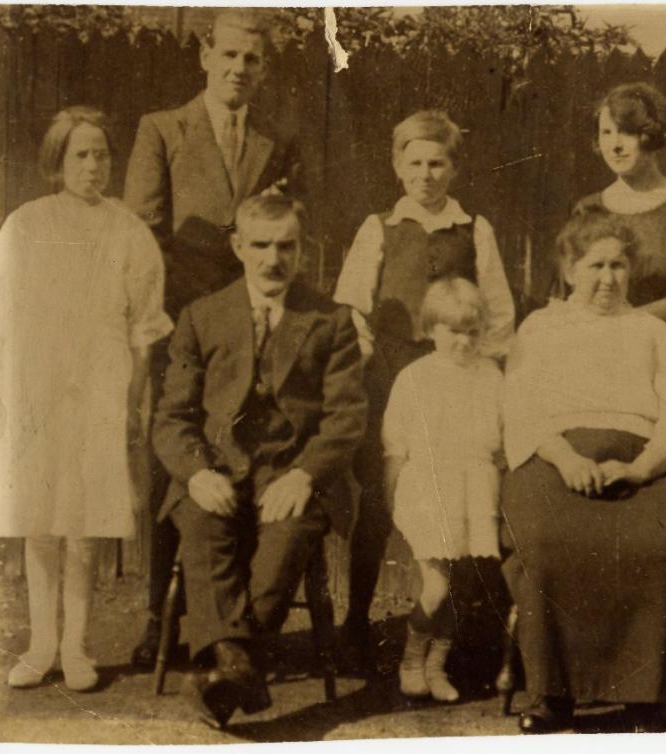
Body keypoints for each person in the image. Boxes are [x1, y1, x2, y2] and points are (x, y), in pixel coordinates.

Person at [0, 106, 172, 691]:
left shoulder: (129, 232)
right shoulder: (23, 225)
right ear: (57, 161)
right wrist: (0, 405)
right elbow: (0, 326)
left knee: (82, 525)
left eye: (102, 154)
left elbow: (143, 337)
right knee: (39, 522)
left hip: (99, 391)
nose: (93, 166)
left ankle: (78, 648)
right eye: (80, 154)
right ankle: (40, 644)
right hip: (36, 389)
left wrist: (133, 404)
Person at [124, 9, 305, 669]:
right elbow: (144, 234)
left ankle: (227, 618)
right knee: (168, 457)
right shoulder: (162, 130)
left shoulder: (275, 139)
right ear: (205, 56)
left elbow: (288, 225)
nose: (238, 69)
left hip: (253, 326)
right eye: (228, 55)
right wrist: (185, 317)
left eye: (251, 60)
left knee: (244, 451)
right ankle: (154, 620)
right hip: (178, 322)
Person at [152, 194, 366, 728]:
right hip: (216, 469)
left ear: (303, 248)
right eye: (261, 246)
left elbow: (346, 420)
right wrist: (198, 473)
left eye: (287, 246)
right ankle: (239, 666)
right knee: (202, 528)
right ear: (238, 247)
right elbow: (172, 417)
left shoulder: (331, 320)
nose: (274, 260)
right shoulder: (202, 316)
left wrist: (304, 474)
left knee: (285, 537)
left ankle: (224, 672)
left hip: (292, 472)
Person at [501, 212, 666, 733]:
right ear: (569, 269)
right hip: (553, 455)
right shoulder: (540, 328)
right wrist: (567, 459)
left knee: (654, 545)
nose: (608, 278)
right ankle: (549, 695)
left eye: (618, 265)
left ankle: (642, 695)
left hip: (641, 463)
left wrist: (638, 469)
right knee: (544, 539)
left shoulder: (655, 333)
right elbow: (520, 410)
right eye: (595, 265)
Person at [333, 110, 515, 665]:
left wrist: (469, 368)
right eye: (415, 162)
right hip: (393, 381)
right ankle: (354, 623)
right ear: (397, 165)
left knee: (463, 499)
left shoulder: (474, 228)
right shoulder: (379, 228)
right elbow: (351, 307)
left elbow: (501, 313)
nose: (426, 174)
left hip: (457, 380)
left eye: (438, 162)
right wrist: (370, 361)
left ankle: (459, 630)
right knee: (381, 500)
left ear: (454, 167)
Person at [382, 279, 503, 702]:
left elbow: (500, 438)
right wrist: (393, 498)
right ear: (432, 329)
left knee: (461, 586)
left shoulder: (490, 375)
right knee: (436, 585)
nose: (464, 341)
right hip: (430, 489)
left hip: (476, 488)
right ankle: (412, 659)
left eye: (472, 331)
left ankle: (437, 667)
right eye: (453, 330)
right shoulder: (415, 377)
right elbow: (395, 446)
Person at [571, 82, 666, 329]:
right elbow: (567, 288)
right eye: (606, 132)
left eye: (626, 132)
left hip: (658, 346)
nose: (615, 145)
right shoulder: (588, 209)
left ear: (651, 134)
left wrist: (624, 322)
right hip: (592, 343)